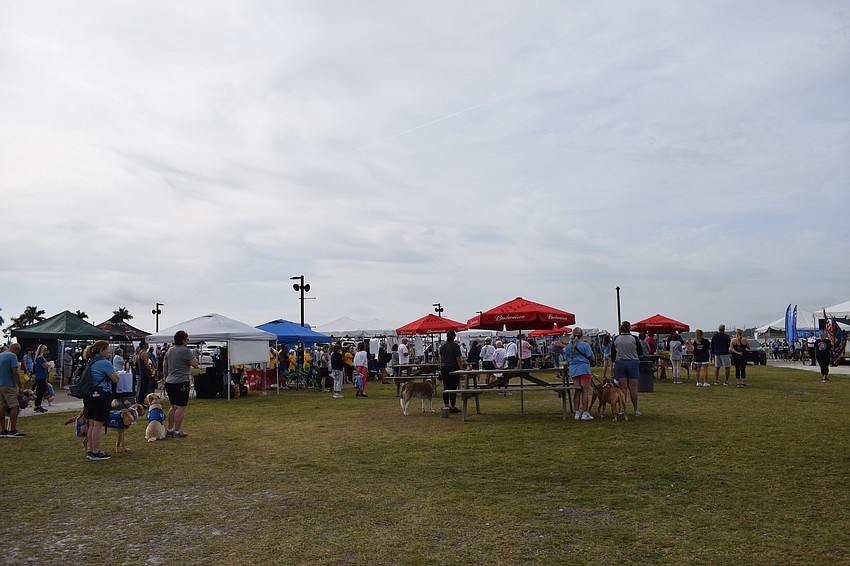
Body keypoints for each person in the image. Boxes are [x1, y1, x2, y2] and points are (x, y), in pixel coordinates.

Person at [82, 340, 121, 459]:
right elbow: (115, 379)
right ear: (101, 350)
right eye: (107, 350)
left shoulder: (91, 361)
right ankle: (96, 451)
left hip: (89, 395)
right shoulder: (104, 363)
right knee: (98, 425)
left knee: (92, 424)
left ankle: (90, 450)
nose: (108, 352)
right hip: (101, 394)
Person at [163, 330, 199, 438]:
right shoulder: (185, 351)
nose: (188, 341)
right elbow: (195, 363)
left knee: (173, 406)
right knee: (180, 407)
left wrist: (165, 378)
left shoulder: (169, 350)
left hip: (170, 381)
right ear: (183, 340)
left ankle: (170, 429)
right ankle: (177, 431)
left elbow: (165, 365)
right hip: (181, 382)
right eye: (187, 339)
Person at [611, 321, 641, 417]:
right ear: (629, 328)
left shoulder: (616, 339)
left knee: (623, 388)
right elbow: (640, 352)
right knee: (633, 388)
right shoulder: (634, 338)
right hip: (632, 363)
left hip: (620, 363)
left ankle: (623, 409)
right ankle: (636, 409)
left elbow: (613, 354)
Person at [564, 328, 594, 420]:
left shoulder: (568, 346)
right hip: (584, 368)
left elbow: (566, 358)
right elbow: (592, 357)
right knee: (585, 391)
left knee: (577, 391)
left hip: (574, 370)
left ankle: (577, 412)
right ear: (581, 335)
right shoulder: (585, 345)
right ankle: (585, 413)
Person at [0, 343, 26, 437]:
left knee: (2, 406)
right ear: (16, 349)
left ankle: (3, 429)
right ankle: (13, 430)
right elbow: (15, 372)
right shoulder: (12, 356)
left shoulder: (1, 355)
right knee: (15, 406)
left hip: (1, 384)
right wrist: (20, 386)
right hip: (9, 385)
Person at [439, 329, 464, 413]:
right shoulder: (455, 346)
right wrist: (461, 369)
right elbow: (458, 359)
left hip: (444, 368)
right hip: (453, 368)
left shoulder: (442, 346)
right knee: (453, 388)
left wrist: (441, 369)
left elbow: (441, 359)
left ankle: (446, 406)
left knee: (446, 387)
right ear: (454, 337)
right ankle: (452, 406)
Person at [32, 345, 50, 413]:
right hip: (41, 377)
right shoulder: (40, 358)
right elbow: (45, 366)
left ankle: (38, 405)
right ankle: (38, 406)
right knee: (40, 392)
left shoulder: (38, 358)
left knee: (41, 391)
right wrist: (48, 364)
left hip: (41, 376)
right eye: (45, 350)